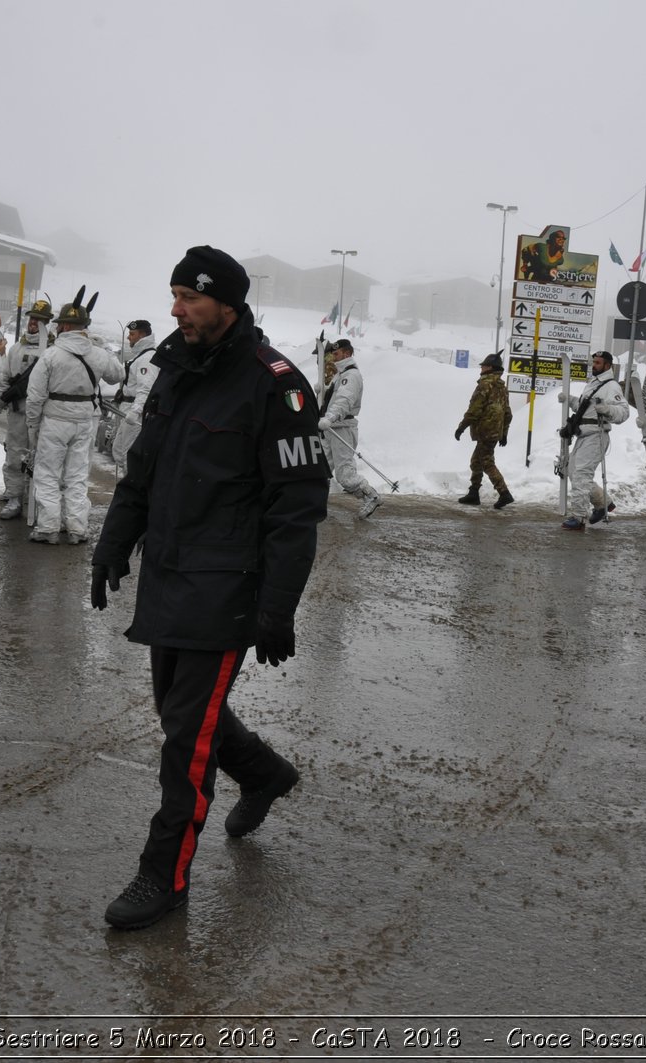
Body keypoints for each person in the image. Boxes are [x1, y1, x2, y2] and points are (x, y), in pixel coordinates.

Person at [90, 246, 329, 931]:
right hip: (170, 575)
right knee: (178, 710)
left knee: (185, 738)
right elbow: (141, 470)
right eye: (172, 296)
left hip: (227, 589)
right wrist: (113, 541)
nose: (176, 309)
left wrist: (277, 608)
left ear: (226, 303)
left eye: (189, 298)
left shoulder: (275, 384)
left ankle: (162, 874)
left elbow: (296, 510)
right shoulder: (174, 369)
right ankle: (263, 773)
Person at [25, 289, 123, 544]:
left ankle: (48, 527)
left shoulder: (51, 354)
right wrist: (102, 347)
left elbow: (35, 395)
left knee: (48, 473)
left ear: (66, 325)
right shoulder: (98, 353)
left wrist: (33, 425)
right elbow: (117, 375)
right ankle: (77, 528)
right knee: (77, 475)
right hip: (85, 419)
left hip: (55, 418)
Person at [0, 299, 53, 520]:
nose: (33, 323)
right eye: (31, 319)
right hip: (18, 411)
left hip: (44, 415)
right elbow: (5, 378)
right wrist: (0, 403)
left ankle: (39, 501)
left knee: (43, 458)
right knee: (15, 456)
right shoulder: (17, 348)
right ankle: (14, 497)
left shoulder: (52, 350)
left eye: (38, 320)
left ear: (46, 324)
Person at [559, 350, 629, 530]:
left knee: (582, 475)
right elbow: (585, 409)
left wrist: (606, 409)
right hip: (583, 433)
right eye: (594, 363)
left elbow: (623, 413)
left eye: (598, 363)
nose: (594, 366)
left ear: (607, 365)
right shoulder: (592, 384)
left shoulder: (611, 386)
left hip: (596, 435)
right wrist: (570, 400)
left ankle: (579, 516)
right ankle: (603, 503)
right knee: (572, 472)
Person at [318, 339, 382, 519]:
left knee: (344, 475)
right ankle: (315, 501)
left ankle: (371, 496)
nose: (333, 357)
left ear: (346, 353)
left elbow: (345, 401)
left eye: (336, 354)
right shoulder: (341, 374)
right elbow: (333, 398)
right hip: (331, 429)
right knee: (320, 468)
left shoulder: (351, 375)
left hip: (342, 428)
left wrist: (330, 417)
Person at [455, 351, 514, 509]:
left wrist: (461, 427)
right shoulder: (502, 387)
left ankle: (504, 493)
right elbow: (508, 413)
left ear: (490, 368)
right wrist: (504, 434)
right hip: (494, 432)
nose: (481, 368)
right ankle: (473, 493)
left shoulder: (484, 385)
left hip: (485, 431)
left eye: (483, 366)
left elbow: (474, 410)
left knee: (487, 462)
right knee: (476, 461)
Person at [112, 318, 159, 471]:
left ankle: (131, 490)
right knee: (119, 451)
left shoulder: (147, 359)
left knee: (128, 455)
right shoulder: (140, 356)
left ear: (142, 335)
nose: (128, 337)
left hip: (135, 411)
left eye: (132, 334)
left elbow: (146, 388)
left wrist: (135, 411)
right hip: (127, 408)